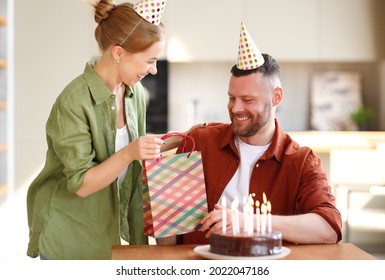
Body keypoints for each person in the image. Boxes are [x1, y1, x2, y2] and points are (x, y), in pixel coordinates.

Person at [26, 0, 190, 260]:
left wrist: (185, 137)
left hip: (111, 233)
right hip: (71, 237)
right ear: (118, 53)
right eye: (149, 60)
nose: (154, 69)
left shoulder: (134, 94)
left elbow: (136, 153)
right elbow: (81, 184)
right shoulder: (73, 102)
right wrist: (129, 153)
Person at [174, 23, 342, 245]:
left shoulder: (301, 161)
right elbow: (169, 232)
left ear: (276, 97)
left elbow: (329, 229)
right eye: (232, 98)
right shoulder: (200, 142)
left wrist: (250, 222)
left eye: (248, 100)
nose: (235, 109)